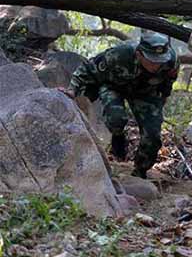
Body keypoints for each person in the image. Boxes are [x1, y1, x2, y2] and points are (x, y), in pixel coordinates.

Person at [68, 32, 179, 178]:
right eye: (152, 61)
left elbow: (167, 85)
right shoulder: (120, 54)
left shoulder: (171, 61)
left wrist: (158, 108)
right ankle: (118, 135)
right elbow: (87, 69)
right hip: (114, 86)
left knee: (152, 135)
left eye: (160, 61)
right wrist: (71, 90)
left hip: (146, 93)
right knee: (116, 119)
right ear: (139, 54)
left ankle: (140, 172)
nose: (156, 65)